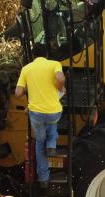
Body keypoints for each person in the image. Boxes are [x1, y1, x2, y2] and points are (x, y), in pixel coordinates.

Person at [15, 48, 66, 188]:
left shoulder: (26, 69)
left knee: (39, 143)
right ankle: (51, 145)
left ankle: (43, 178)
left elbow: (18, 93)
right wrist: (60, 88)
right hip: (53, 112)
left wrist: (27, 89)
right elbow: (60, 78)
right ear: (47, 55)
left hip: (36, 114)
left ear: (33, 57)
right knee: (52, 125)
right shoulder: (54, 64)